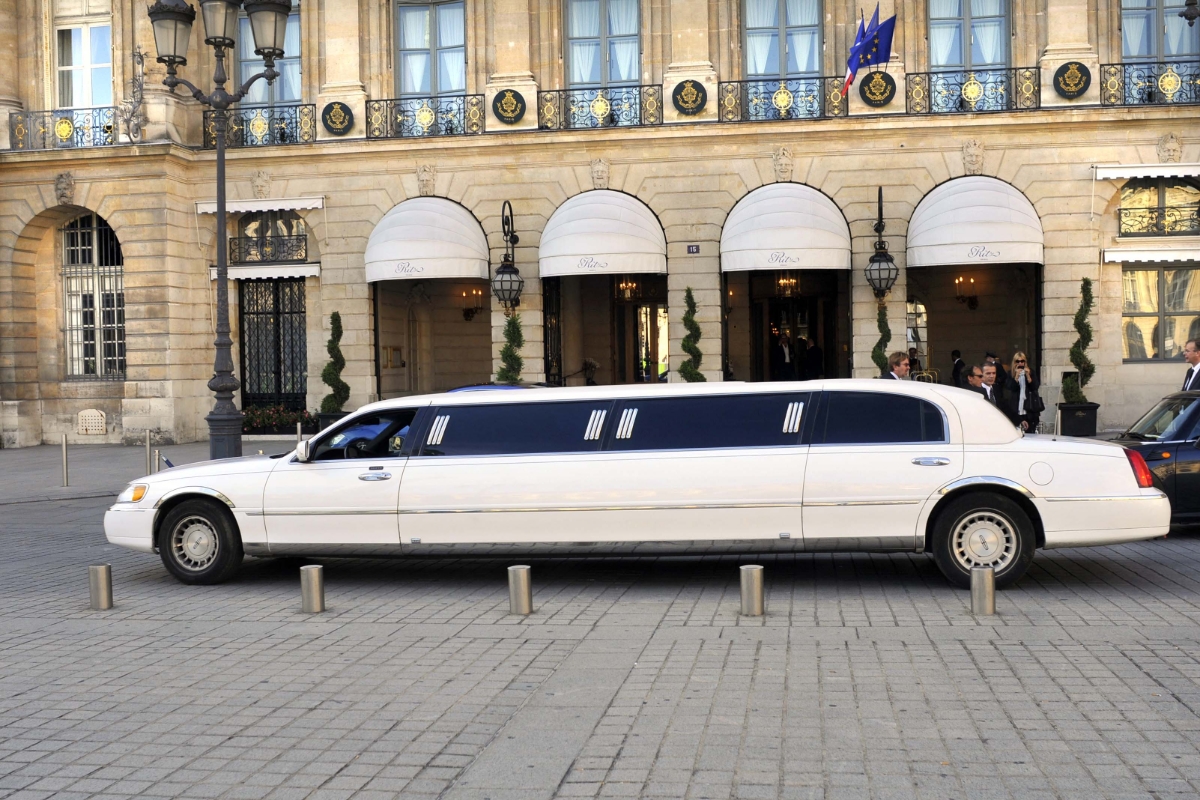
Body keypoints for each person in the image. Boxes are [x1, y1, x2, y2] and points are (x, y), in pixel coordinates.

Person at [1003, 351, 1043, 432]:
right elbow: (1010, 388)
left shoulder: (1031, 372)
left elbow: (1035, 387)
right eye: (1017, 361)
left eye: (1022, 361)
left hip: (1029, 407)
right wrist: (1016, 377)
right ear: (1014, 362)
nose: (1020, 363)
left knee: (1030, 431)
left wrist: (1028, 376)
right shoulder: (1010, 373)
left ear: (1025, 362)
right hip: (1016, 407)